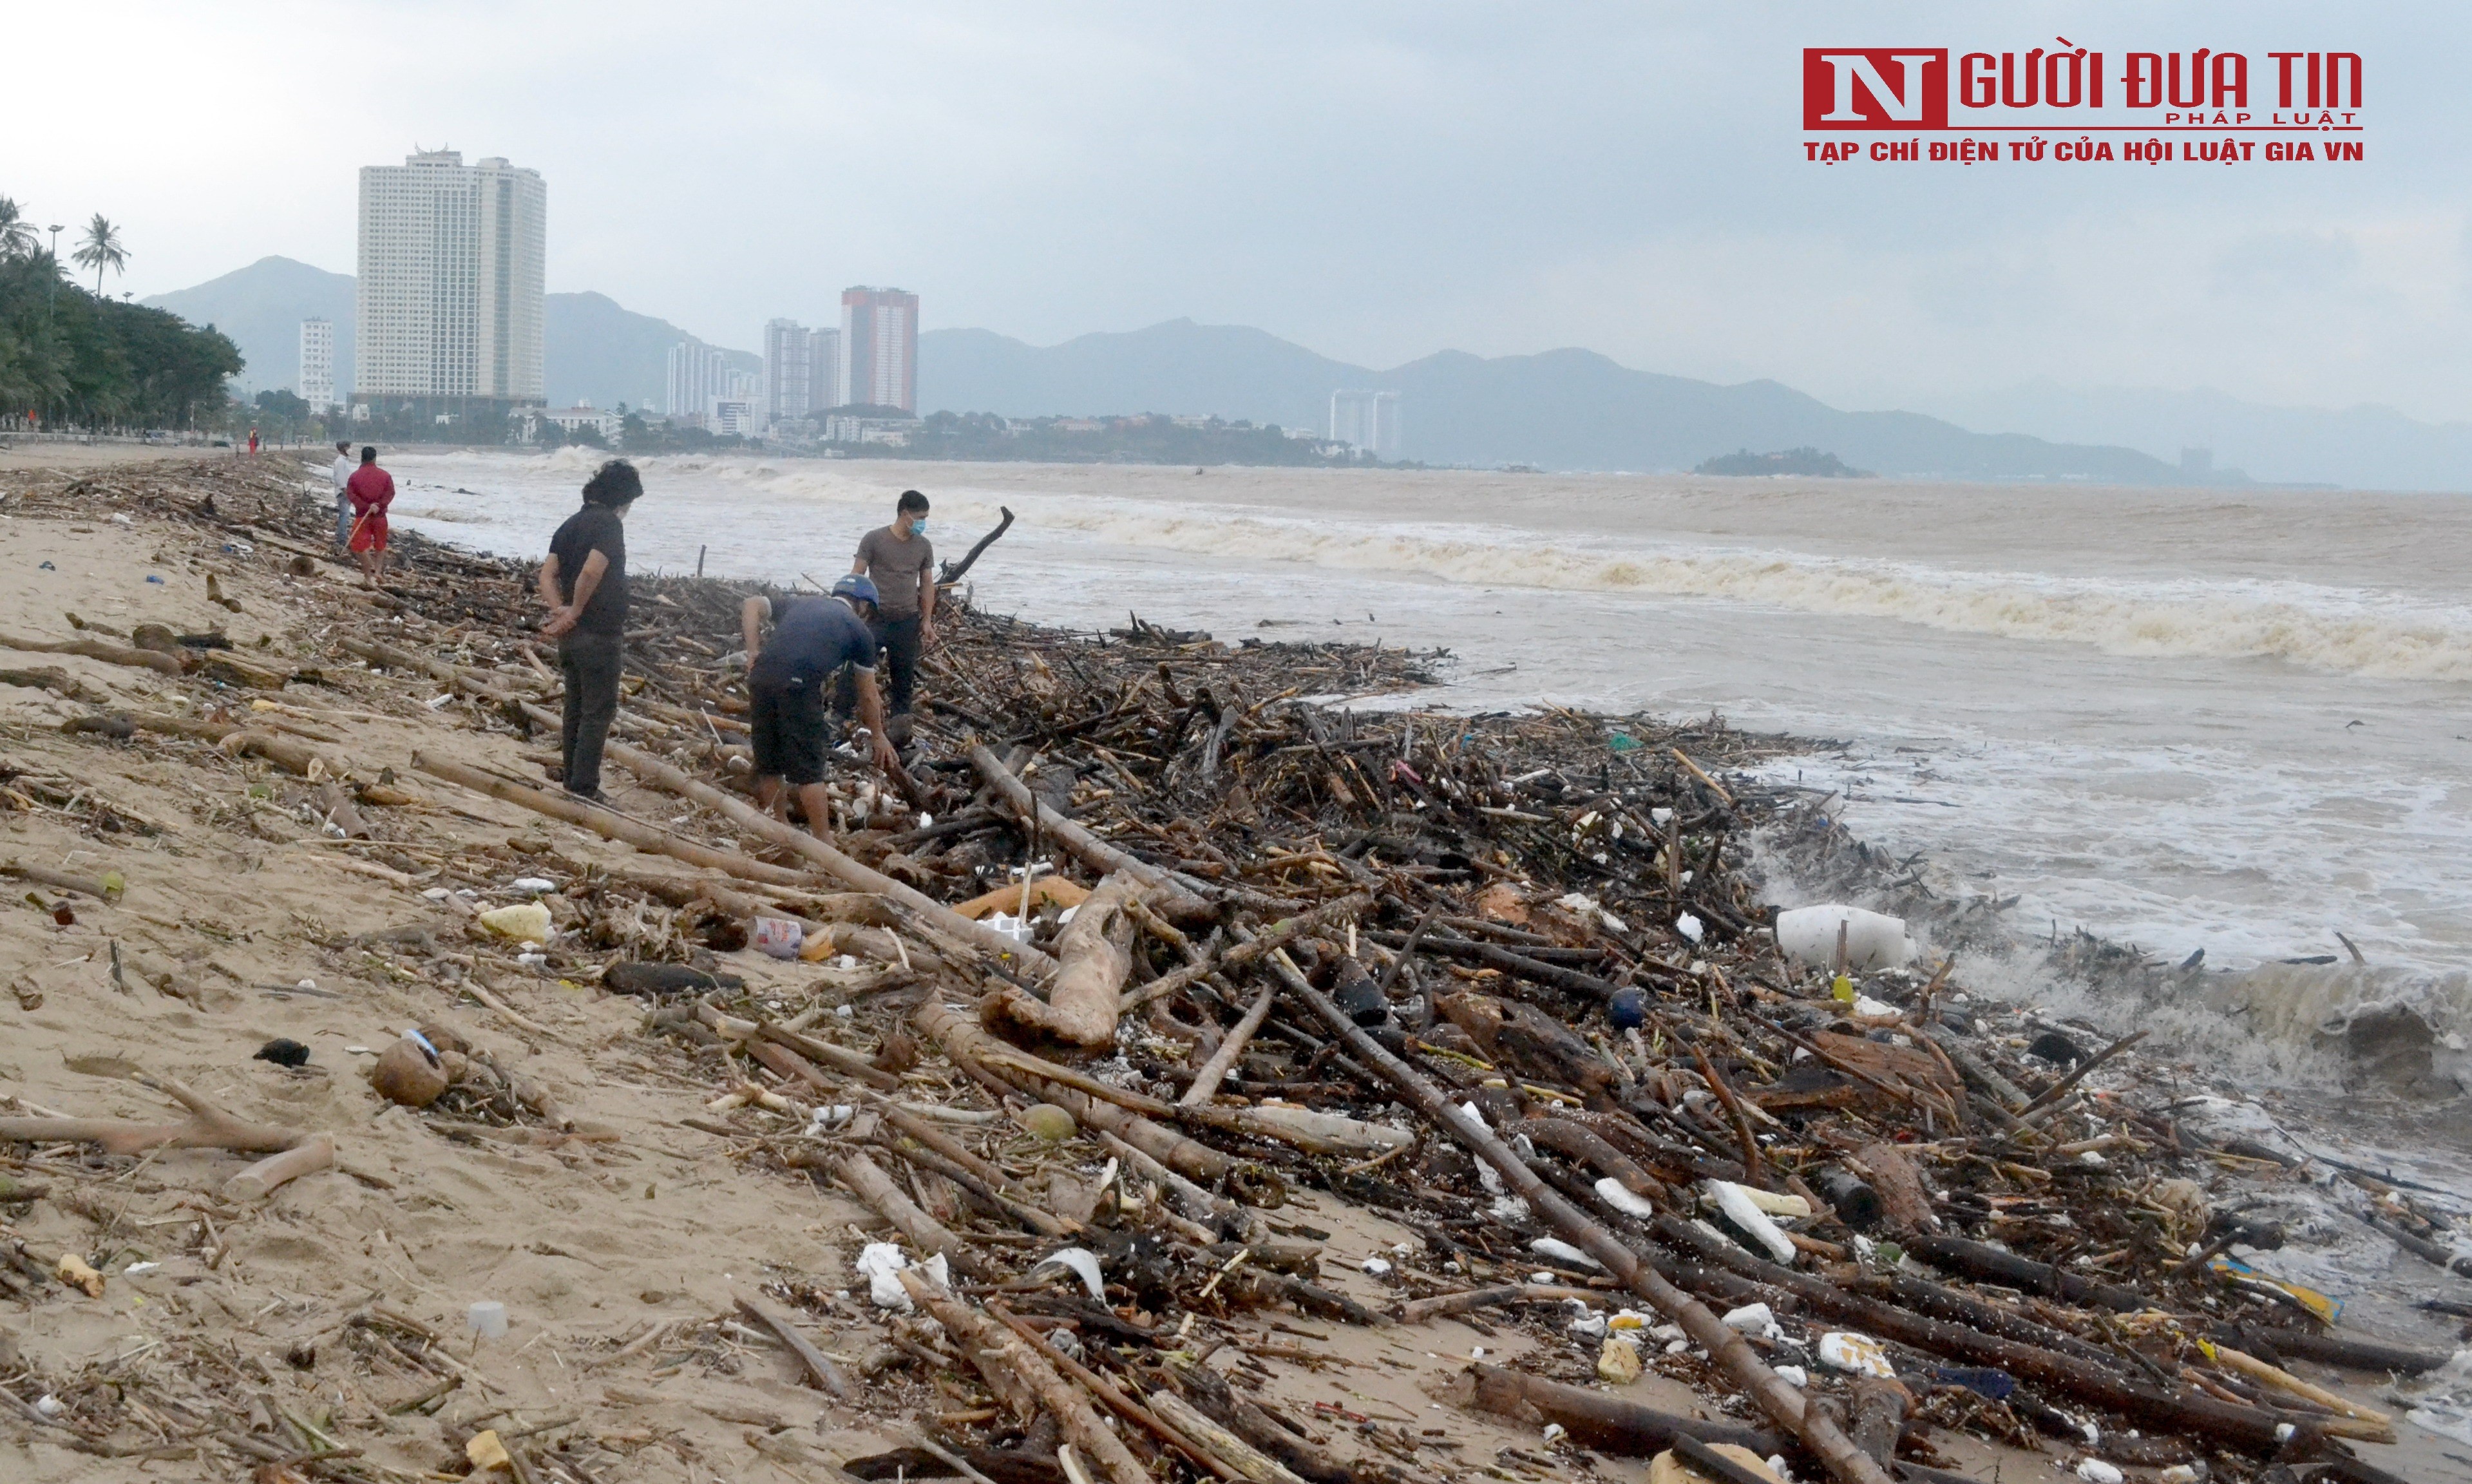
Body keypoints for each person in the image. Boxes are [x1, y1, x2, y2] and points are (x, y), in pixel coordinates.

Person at [742, 575, 901, 839]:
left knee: (770, 762)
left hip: (760, 679)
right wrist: (878, 734)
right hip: (799, 686)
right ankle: (823, 843)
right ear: (862, 606)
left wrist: (752, 651)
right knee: (809, 772)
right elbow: (868, 695)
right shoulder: (859, 631)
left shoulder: (801, 604)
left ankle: (777, 829)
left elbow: (751, 604)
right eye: (868, 612)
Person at [538, 459, 640, 801]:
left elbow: (547, 575)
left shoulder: (570, 524)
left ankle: (572, 779)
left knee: (575, 708)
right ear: (621, 499)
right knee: (598, 712)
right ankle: (584, 787)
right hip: (598, 631)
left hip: (572, 636)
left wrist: (559, 611)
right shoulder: (609, 524)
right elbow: (592, 572)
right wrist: (576, 611)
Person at [848, 489, 935, 742]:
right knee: (856, 668)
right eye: (920, 517)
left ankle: (900, 728)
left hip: (907, 620)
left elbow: (927, 583)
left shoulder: (923, 546)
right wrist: (855, 605)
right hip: (876, 618)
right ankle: (840, 715)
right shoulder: (874, 539)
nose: (923, 523)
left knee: (904, 676)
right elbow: (857, 573)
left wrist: (927, 620)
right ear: (905, 514)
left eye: (926, 518)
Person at [344, 445, 394, 587]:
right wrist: (380, 505)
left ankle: (368, 576)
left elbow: (351, 494)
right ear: (374, 458)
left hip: (362, 516)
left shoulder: (354, 476)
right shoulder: (385, 475)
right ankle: (377, 571)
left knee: (359, 546)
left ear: (362, 458)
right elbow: (390, 493)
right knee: (380, 545)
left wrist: (365, 506)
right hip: (380, 516)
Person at [329, 441, 354, 547]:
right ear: (344, 448)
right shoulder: (340, 462)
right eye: (348, 447)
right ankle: (341, 538)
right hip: (343, 492)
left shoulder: (345, 461)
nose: (350, 449)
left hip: (345, 491)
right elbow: (339, 479)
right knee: (345, 515)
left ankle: (341, 535)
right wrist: (346, 491)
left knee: (344, 515)